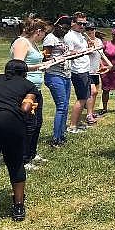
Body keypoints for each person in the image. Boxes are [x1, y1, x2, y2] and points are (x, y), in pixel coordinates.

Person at [0, 60, 39, 224]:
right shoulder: (28, 85)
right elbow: (25, 108)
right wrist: (29, 111)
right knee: (15, 163)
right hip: (9, 122)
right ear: (24, 73)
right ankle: (18, 206)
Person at [11, 17, 49, 168]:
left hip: (35, 89)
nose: (44, 36)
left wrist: (45, 64)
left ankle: (32, 153)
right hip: (25, 90)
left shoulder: (33, 44)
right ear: (38, 31)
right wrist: (39, 66)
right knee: (28, 124)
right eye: (44, 33)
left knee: (37, 122)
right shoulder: (22, 42)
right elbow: (17, 66)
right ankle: (23, 158)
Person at [43, 16, 72, 148]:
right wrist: (62, 58)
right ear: (58, 26)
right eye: (64, 28)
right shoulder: (50, 38)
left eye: (68, 29)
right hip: (54, 75)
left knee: (65, 106)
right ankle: (56, 138)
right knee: (61, 106)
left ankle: (61, 135)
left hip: (66, 75)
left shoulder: (62, 39)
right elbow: (45, 59)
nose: (65, 32)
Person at [64, 12, 92, 133]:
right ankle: (72, 126)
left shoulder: (81, 35)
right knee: (82, 98)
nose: (82, 26)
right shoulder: (69, 37)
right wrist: (82, 53)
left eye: (84, 24)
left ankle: (77, 122)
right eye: (80, 23)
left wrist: (89, 49)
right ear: (72, 23)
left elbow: (82, 50)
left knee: (85, 97)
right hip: (78, 71)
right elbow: (68, 54)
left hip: (85, 69)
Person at [99, 28, 115, 115]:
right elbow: (100, 55)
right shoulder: (106, 44)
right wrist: (102, 65)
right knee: (105, 90)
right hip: (106, 70)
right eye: (114, 34)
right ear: (112, 35)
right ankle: (104, 108)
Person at [85, 23, 104, 124]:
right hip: (87, 70)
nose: (90, 31)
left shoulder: (99, 41)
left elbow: (100, 55)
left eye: (92, 29)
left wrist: (101, 65)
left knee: (95, 93)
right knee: (93, 92)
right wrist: (89, 46)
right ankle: (89, 115)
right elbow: (87, 53)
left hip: (96, 71)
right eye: (88, 29)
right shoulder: (84, 41)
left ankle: (91, 112)